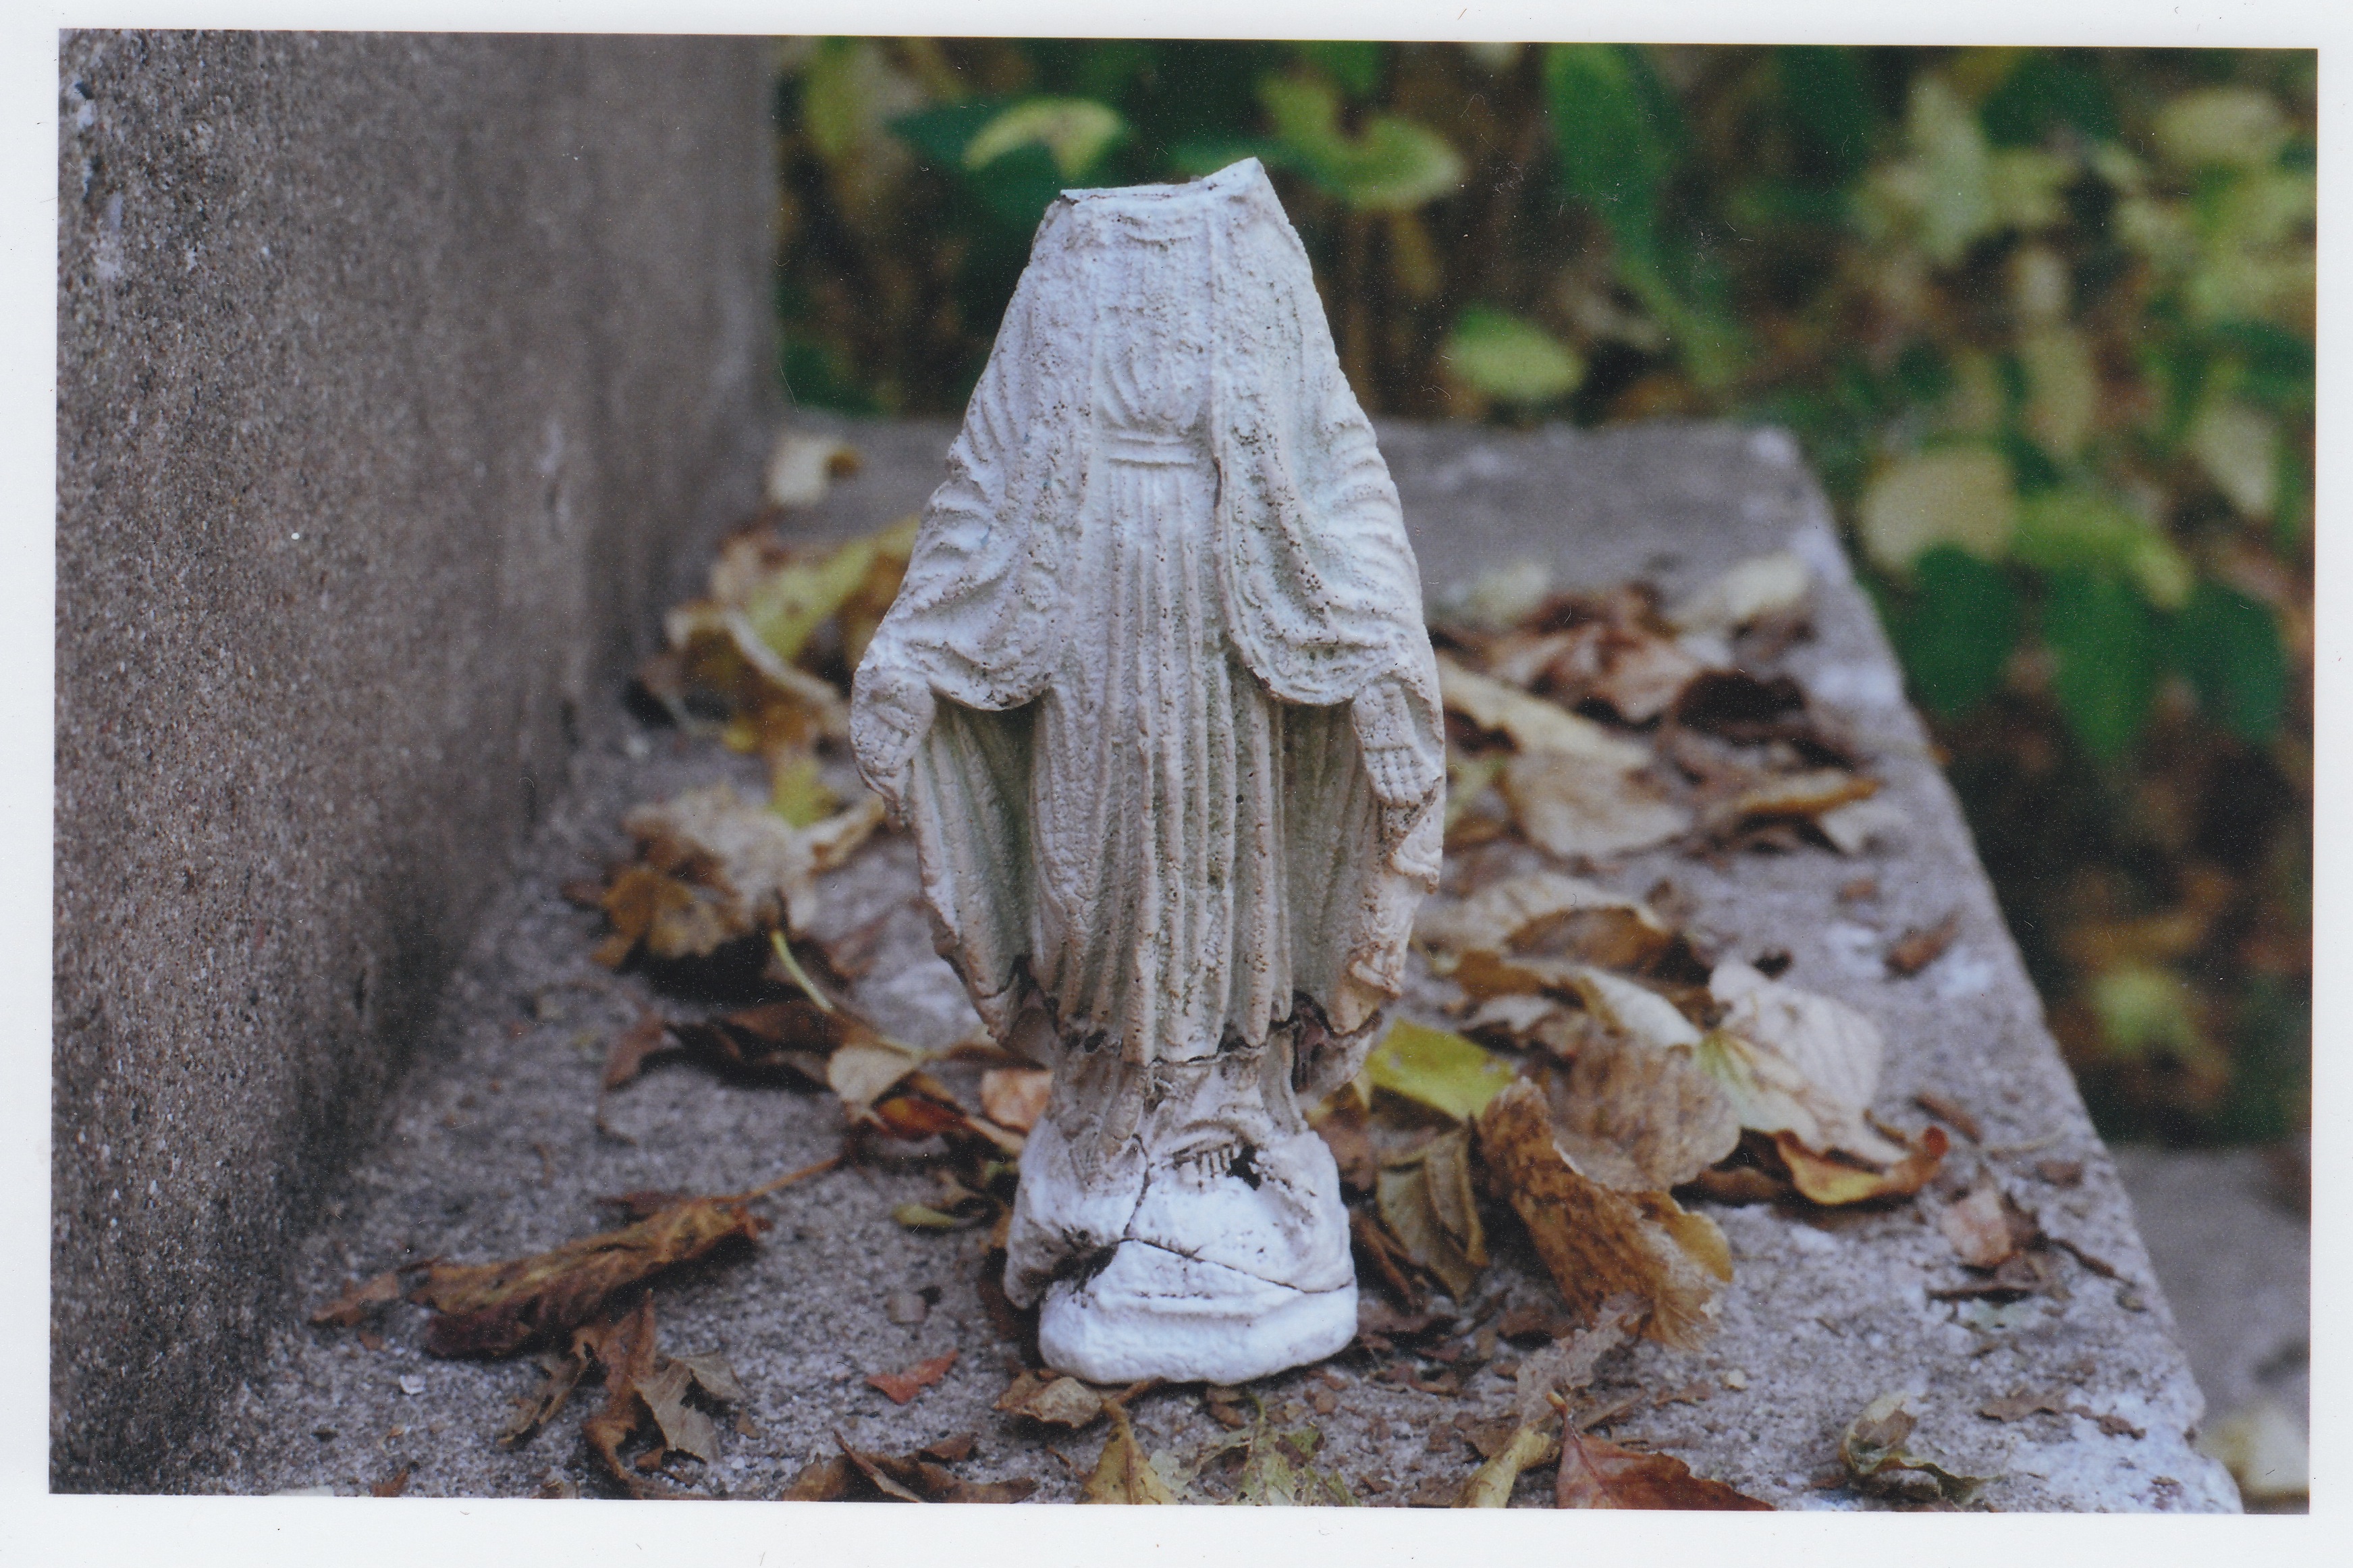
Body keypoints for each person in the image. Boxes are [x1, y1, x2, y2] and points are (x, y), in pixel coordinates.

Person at [852, 159, 1443, 1382]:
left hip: (1237, 619)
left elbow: (1333, 461)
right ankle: (1111, 1135)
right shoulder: (1068, 264)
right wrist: (922, 639)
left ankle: (1230, 1125)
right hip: (1091, 612)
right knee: (1097, 878)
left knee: (1231, 874)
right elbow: (988, 469)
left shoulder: (1258, 256)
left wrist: (1379, 634)